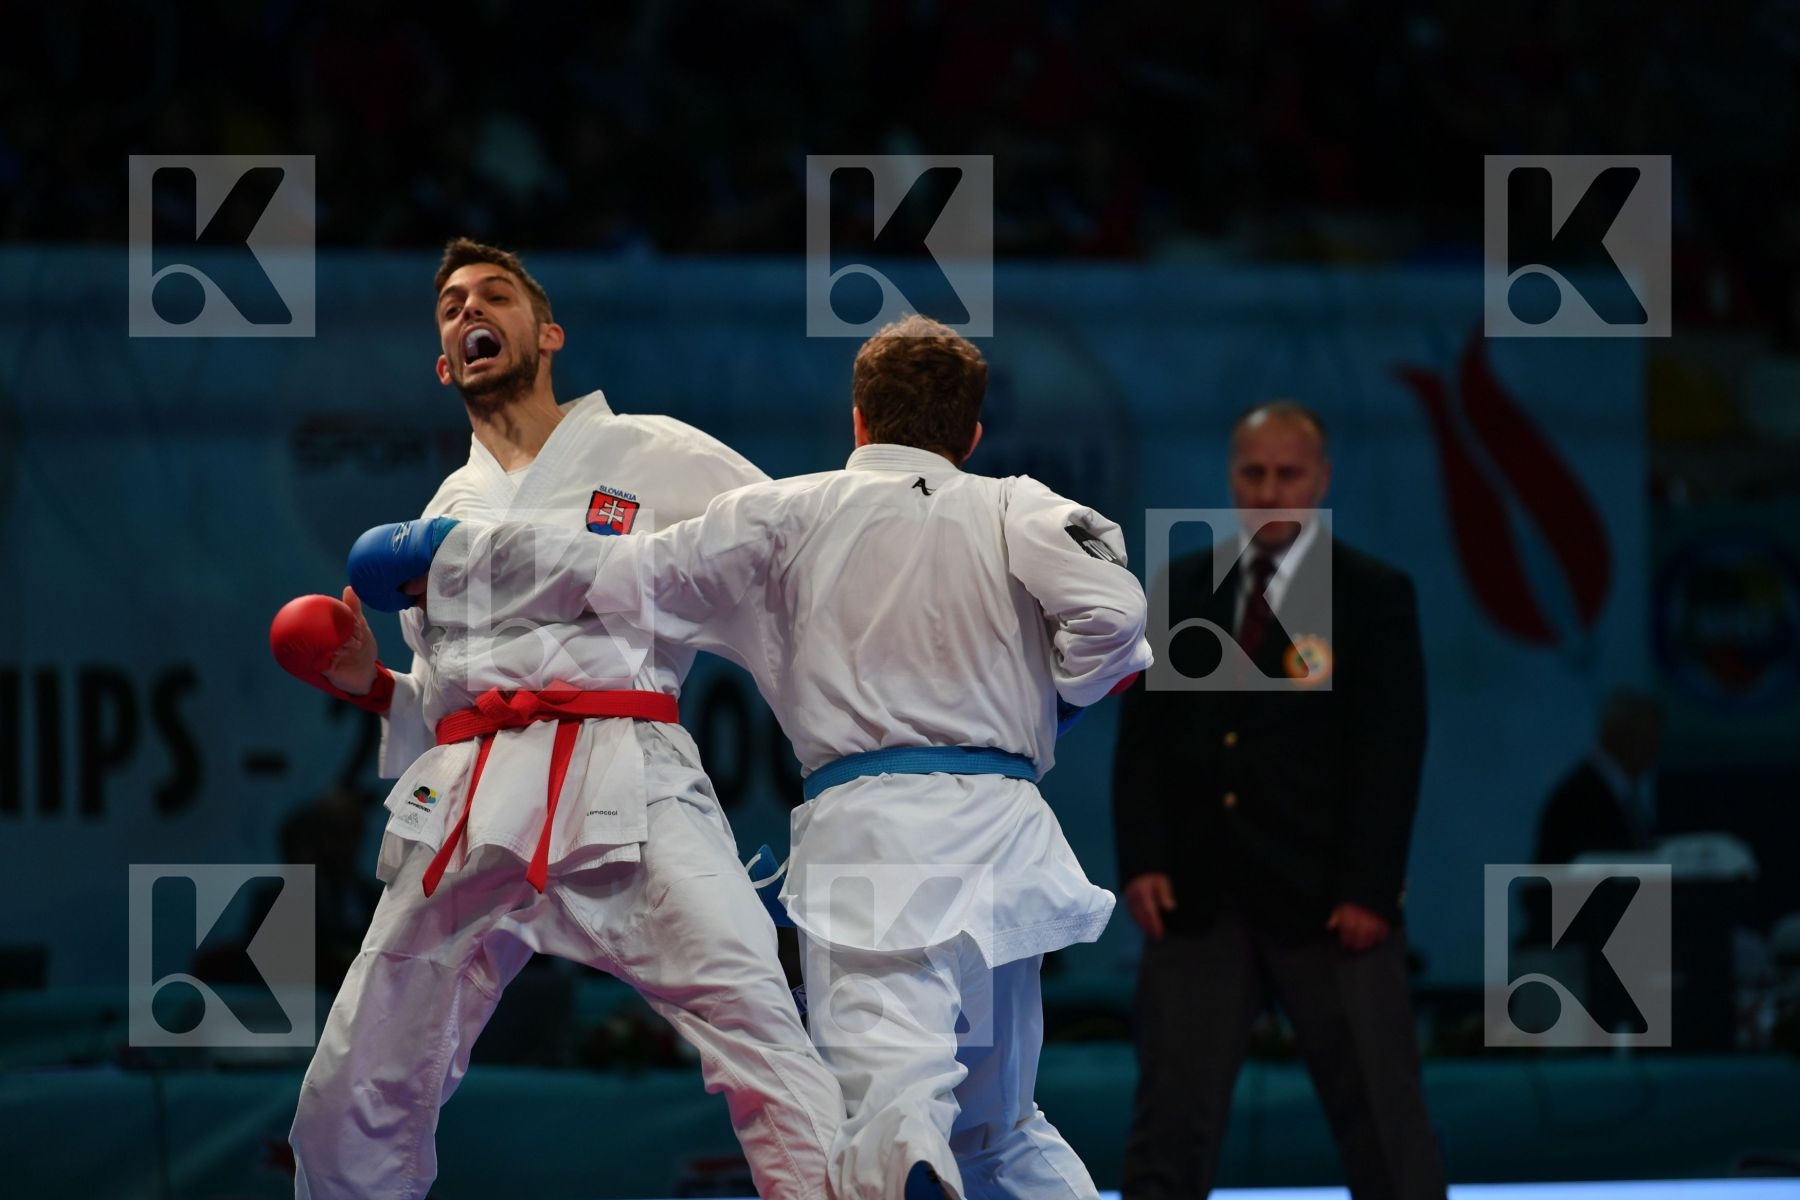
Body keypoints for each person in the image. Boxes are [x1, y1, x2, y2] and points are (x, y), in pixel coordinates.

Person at [350, 314, 1152, 1200]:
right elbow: (1116, 625)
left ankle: (906, 1164)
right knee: (1006, 1126)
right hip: (1007, 833)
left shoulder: (785, 512)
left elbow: (623, 574)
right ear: (970, 435)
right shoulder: (1025, 506)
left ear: (857, 420)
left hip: (874, 834)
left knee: (893, 1097)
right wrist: (1054, 703)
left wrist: (451, 554)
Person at [274, 238, 843, 1200]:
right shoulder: (443, 505)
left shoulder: (656, 454)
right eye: (451, 306)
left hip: (628, 777)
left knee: (761, 1033)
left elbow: (789, 567)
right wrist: (376, 684)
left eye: (493, 295)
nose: (468, 310)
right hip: (472, 801)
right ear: (444, 361)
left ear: (548, 334)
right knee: (352, 1086)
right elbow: (451, 697)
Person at [1111, 402, 1446, 1200]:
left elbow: (1391, 750)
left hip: (1331, 903)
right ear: (1231, 478)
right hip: (1200, 895)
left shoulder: (1371, 595)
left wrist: (1370, 887)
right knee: (1169, 1126)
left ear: (1322, 480)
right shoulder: (1184, 586)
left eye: (1287, 473)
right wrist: (1144, 859)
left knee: (1383, 1125)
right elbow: (1145, 740)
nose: (1269, 490)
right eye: (1253, 473)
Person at [1535, 688, 1664, 864]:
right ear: (1619, 736)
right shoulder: (1576, 799)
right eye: (1647, 738)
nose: (1654, 750)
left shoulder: (1624, 797)